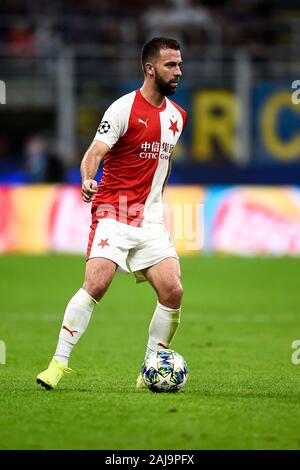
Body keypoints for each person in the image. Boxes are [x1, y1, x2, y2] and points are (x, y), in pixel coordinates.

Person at [36, 37, 187, 390]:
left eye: (179, 64)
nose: (178, 71)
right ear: (150, 69)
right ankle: (57, 364)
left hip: (150, 220)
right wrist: (88, 178)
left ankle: (149, 368)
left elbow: (160, 167)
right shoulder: (122, 109)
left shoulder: (178, 117)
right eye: (171, 65)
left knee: (173, 290)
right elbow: (95, 151)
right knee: (97, 284)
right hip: (114, 212)